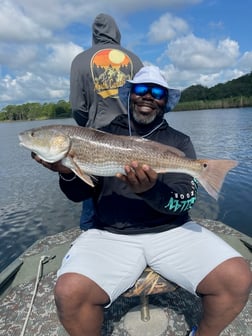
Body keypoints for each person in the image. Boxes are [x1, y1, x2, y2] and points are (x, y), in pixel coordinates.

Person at [33, 66, 251, 336]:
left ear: (165, 100)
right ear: (130, 95)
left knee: (237, 278)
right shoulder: (98, 134)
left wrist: (151, 190)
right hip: (110, 233)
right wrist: (67, 173)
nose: (148, 96)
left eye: (157, 92)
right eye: (140, 90)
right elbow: (78, 194)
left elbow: (185, 201)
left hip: (172, 230)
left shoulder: (179, 142)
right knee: (69, 292)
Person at [70, 13, 143, 230]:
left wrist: (86, 128)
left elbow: (77, 107)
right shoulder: (134, 59)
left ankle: (89, 238)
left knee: (90, 194)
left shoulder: (80, 60)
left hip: (94, 139)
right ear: (117, 32)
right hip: (131, 137)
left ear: (94, 33)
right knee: (134, 189)